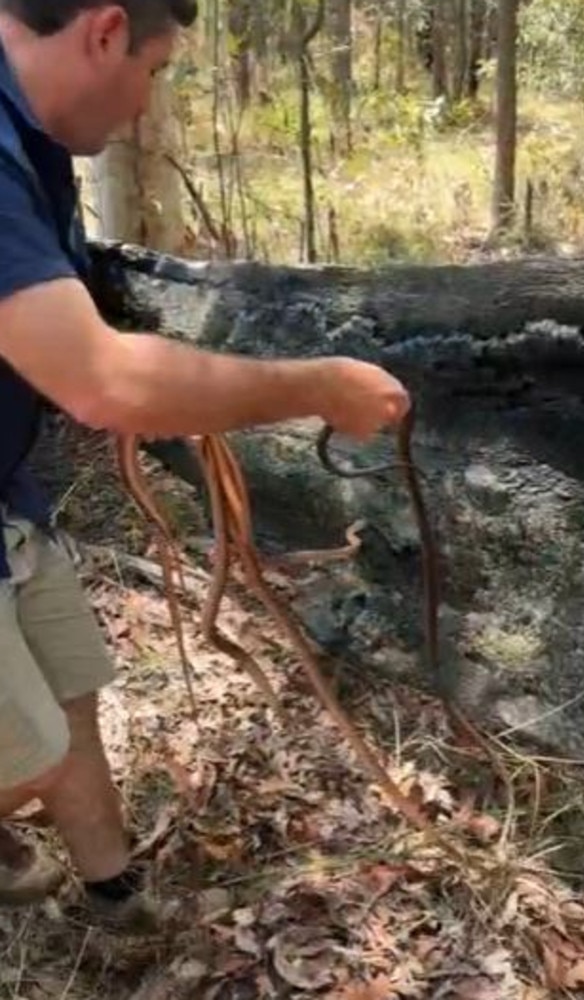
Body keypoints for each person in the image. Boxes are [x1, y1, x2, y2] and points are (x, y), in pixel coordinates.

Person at [0, 0, 411, 932]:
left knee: (70, 691)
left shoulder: (36, 147)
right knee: (22, 758)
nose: (145, 106)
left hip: (9, 497)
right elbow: (104, 383)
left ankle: (113, 899)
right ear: (106, 31)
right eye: (154, 71)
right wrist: (320, 387)